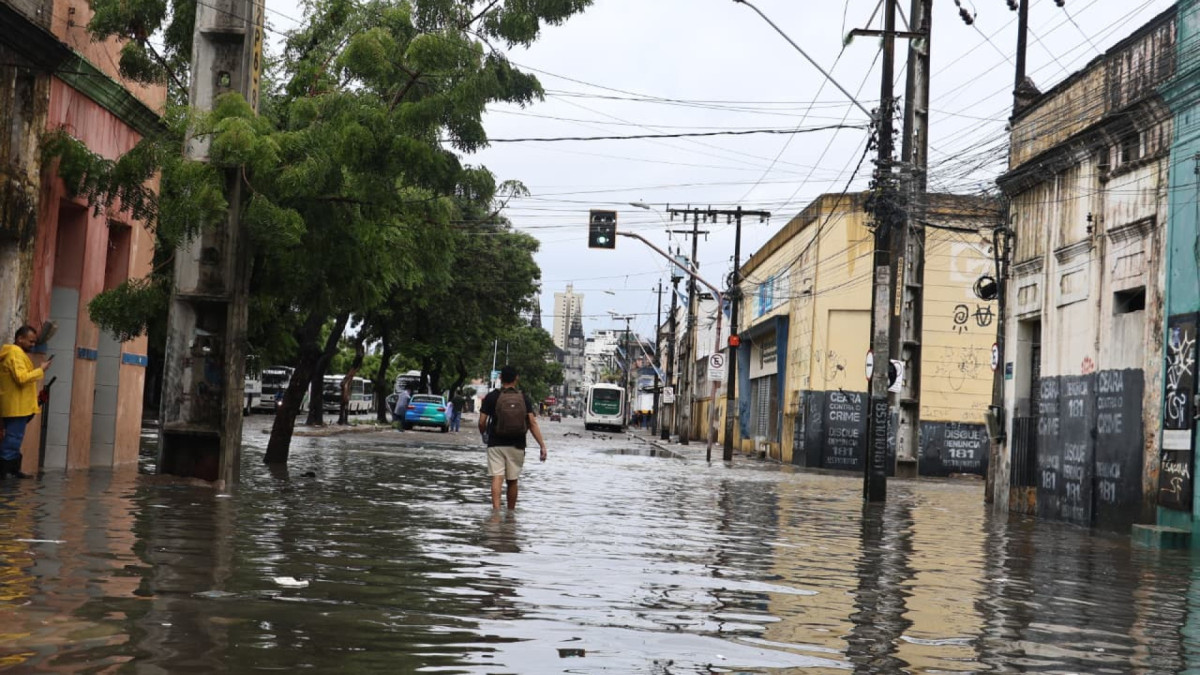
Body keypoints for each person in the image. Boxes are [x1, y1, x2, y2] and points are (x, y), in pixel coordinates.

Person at [478, 365, 547, 510]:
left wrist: (484, 434)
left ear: (500, 378)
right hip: (517, 444)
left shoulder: (492, 397)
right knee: (513, 480)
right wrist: (542, 446)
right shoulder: (523, 398)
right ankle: (510, 514)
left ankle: (496, 512)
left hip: (495, 443)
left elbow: (481, 422)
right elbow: (532, 423)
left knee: (497, 477)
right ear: (517, 378)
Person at [0, 325, 52, 479]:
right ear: (19, 339)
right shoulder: (15, 354)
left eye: (34, 342)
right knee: (13, 438)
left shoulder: (16, 353)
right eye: (30, 341)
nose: (33, 345)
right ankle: (6, 471)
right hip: (16, 406)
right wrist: (40, 370)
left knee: (15, 438)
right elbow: (22, 378)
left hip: (19, 405)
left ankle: (12, 469)